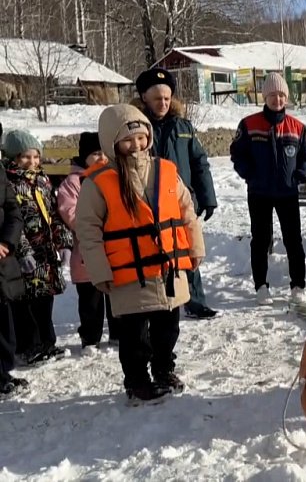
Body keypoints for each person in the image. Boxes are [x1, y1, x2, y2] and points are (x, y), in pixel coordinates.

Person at [76, 104, 205, 405]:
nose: (136, 145)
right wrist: (99, 269)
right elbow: (88, 229)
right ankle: (136, 381)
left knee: (168, 329)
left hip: (168, 268)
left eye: (141, 137)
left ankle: (164, 370)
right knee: (134, 337)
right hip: (127, 273)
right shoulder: (98, 182)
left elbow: (187, 212)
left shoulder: (166, 171)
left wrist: (195, 247)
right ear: (112, 142)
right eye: (127, 139)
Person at [132, 68, 219, 320]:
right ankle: (154, 301)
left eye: (167, 99)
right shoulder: (136, 128)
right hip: (147, 202)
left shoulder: (183, 127)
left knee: (186, 247)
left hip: (181, 199)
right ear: (145, 98)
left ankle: (195, 300)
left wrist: (207, 197)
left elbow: (199, 162)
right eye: (157, 98)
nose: (163, 103)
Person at [229, 72, 306, 306]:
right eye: (273, 95)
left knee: (293, 240)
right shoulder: (249, 124)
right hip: (259, 193)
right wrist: (250, 174)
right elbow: (237, 153)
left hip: (288, 193)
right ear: (265, 97)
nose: (277, 99)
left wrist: (301, 175)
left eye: (282, 95)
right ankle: (261, 286)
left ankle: (298, 285)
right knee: (261, 239)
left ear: (286, 98)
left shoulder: (297, 127)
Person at [2, 129, 74, 365]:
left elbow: (54, 214)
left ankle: (47, 342)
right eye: (25, 157)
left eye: (35, 157)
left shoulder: (42, 181)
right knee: (26, 303)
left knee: (45, 299)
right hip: (25, 255)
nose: (31, 162)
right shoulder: (9, 182)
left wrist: (63, 242)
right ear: (13, 158)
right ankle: (28, 346)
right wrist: (22, 251)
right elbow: (12, 220)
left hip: (46, 252)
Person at [57, 131, 120, 353]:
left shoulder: (112, 176)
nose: (101, 157)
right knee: (90, 299)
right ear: (84, 156)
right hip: (85, 251)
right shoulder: (73, 182)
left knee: (115, 294)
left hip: (113, 247)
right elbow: (69, 211)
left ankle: (118, 333)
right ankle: (90, 337)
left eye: (103, 152)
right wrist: (94, 226)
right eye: (95, 153)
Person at [0, 123, 29, 398]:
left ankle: (3, 372)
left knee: (3, 318)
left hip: (1, 256)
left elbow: (13, 210)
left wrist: (7, 241)